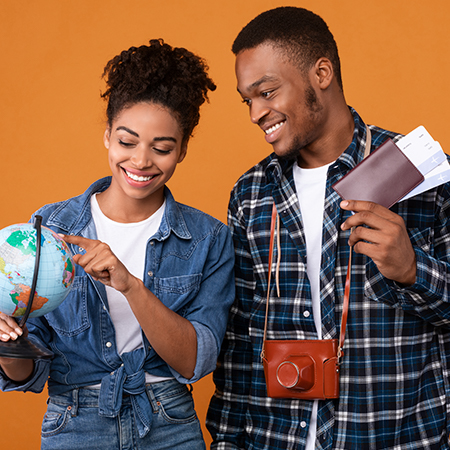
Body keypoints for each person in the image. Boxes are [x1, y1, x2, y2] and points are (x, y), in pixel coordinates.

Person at [206, 6, 450, 450]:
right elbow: (240, 336)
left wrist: (414, 270)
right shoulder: (250, 193)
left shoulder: (421, 174)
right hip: (276, 437)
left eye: (267, 92)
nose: (256, 113)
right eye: (248, 100)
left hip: (392, 435)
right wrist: (226, 441)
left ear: (321, 73)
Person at [0, 39, 235, 450]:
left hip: (168, 423)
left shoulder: (208, 238)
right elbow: (24, 375)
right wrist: (6, 341)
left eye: (161, 148)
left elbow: (195, 362)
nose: (141, 161)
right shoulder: (50, 228)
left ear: (181, 150)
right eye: (127, 142)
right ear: (107, 137)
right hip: (75, 423)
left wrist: (129, 284)